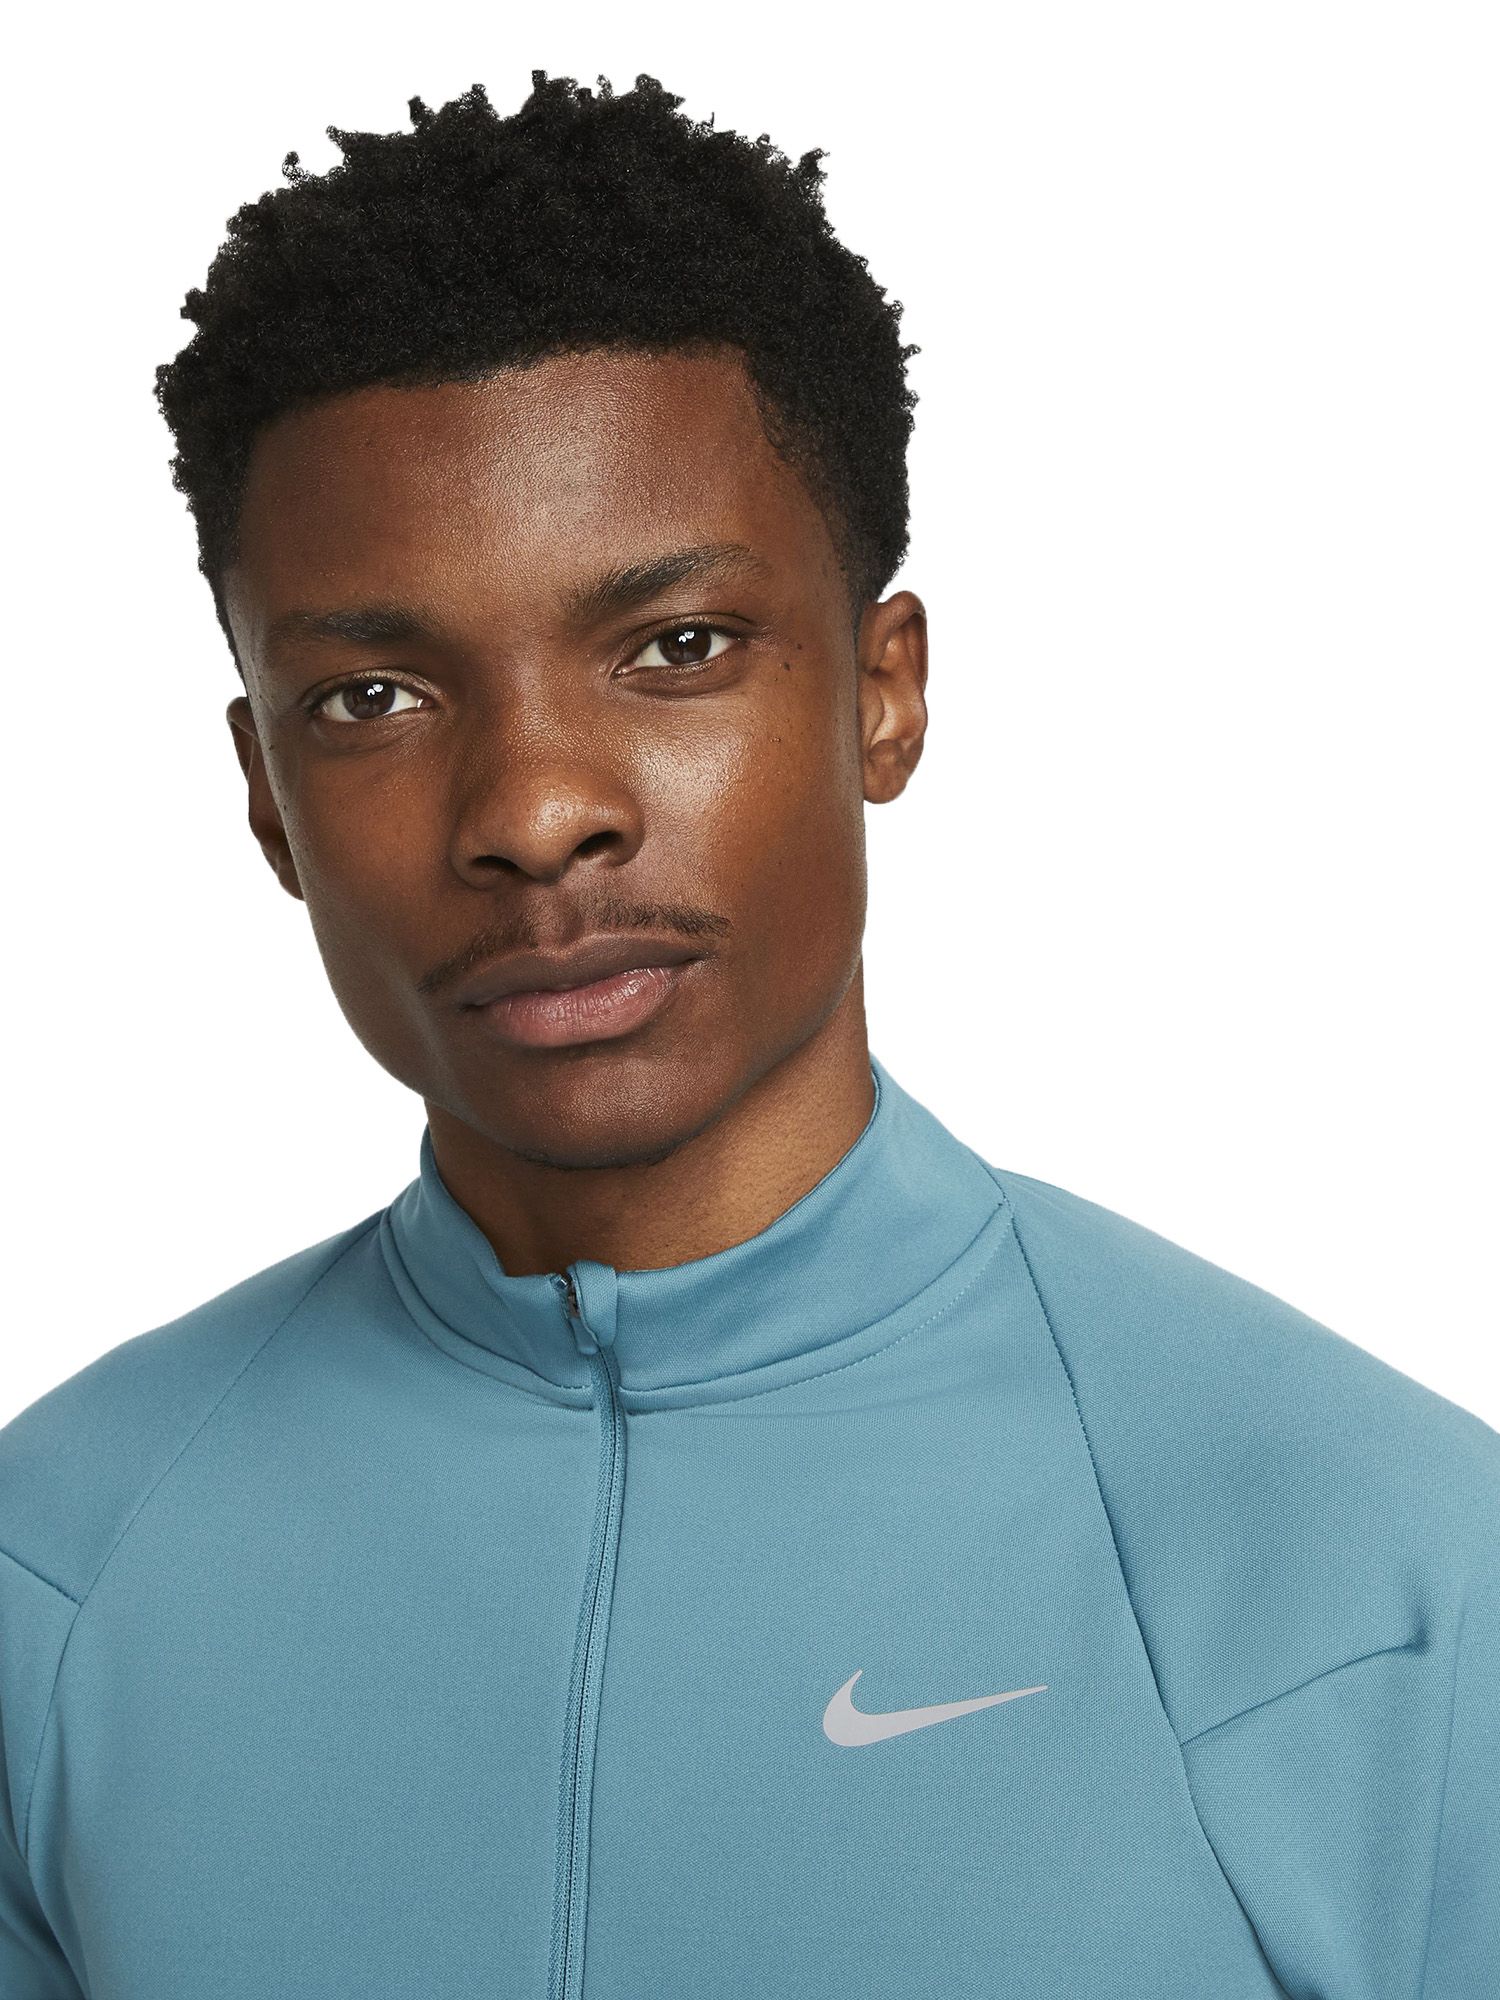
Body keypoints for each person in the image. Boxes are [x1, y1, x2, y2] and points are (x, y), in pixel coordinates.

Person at [1, 71, 1494, 2000]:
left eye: (676, 647)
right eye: (373, 695)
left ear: (884, 693)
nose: (535, 810)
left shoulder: (1382, 1583)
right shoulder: (56, 1571)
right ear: (265, 797)